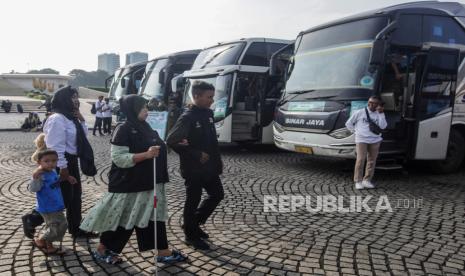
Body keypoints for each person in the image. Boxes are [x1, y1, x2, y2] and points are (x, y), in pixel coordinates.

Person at [80, 95, 188, 264]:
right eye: (143, 108)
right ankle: (103, 249)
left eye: (146, 107)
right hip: (131, 184)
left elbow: (155, 144)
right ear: (132, 109)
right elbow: (119, 158)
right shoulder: (123, 129)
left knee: (153, 217)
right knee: (124, 218)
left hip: (151, 182)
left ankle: (163, 251)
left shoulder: (145, 126)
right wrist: (146, 155)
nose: (147, 110)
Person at [166, 81, 224, 250]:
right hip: (193, 167)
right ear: (196, 96)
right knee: (193, 200)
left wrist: (217, 162)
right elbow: (172, 140)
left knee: (217, 194)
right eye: (209, 97)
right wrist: (195, 153)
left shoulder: (208, 113)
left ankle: (192, 223)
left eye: (213, 97)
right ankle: (190, 235)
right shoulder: (187, 117)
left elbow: (212, 141)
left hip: (209, 167)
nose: (212, 100)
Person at [41, 86, 95, 238]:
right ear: (64, 99)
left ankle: (76, 228)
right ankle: (32, 218)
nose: (76, 100)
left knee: (75, 196)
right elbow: (55, 146)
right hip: (60, 162)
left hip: (71, 161)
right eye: (73, 97)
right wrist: (63, 167)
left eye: (77, 97)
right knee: (63, 198)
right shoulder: (57, 118)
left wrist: (82, 119)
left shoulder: (71, 117)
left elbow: (82, 137)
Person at [28, 149, 68, 255]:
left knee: (52, 226)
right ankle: (41, 240)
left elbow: (55, 181)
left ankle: (48, 246)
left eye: (54, 161)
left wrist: (67, 178)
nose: (51, 163)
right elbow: (33, 189)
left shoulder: (52, 171)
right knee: (60, 225)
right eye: (47, 161)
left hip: (56, 204)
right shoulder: (40, 174)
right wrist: (35, 178)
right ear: (39, 162)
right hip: (48, 207)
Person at [346, 96, 387, 190]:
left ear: (378, 105)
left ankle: (367, 180)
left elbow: (383, 126)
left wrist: (381, 114)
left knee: (372, 161)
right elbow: (348, 123)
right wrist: (355, 132)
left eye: (374, 103)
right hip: (361, 139)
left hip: (375, 139)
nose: (371, 105)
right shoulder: (360, 112)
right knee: (360, 160)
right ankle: (358, 181)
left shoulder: (379, 113)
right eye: (370, 102)